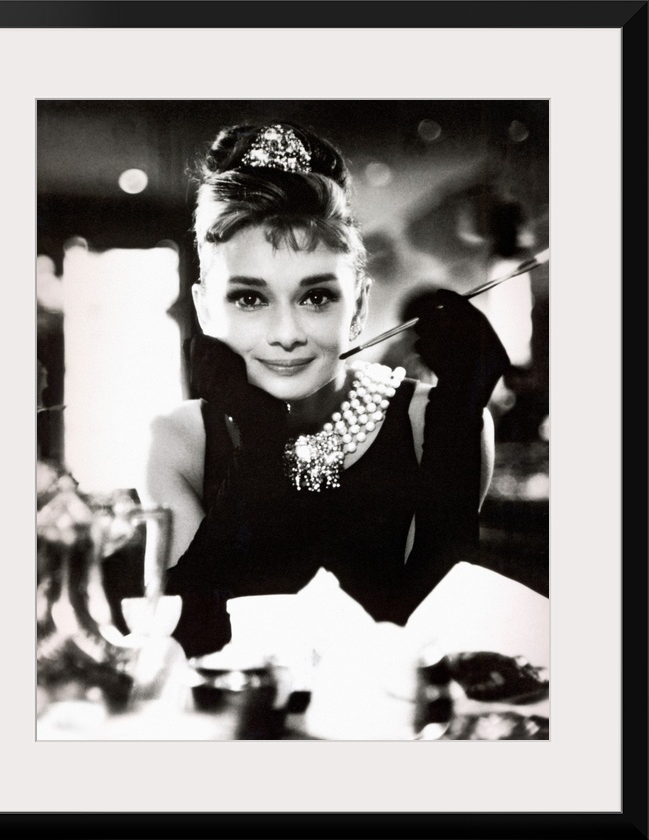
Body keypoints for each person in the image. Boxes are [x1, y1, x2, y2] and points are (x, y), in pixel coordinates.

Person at [145, 122, 510, 658]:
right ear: (203, 308)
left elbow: (439, 630)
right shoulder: (178, 440)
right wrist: (259, 436)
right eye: (250, 299)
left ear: (359, 307)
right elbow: (204, 633)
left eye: (316, 297)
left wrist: (457, 422)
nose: (288, 334)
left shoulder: (435, 419)